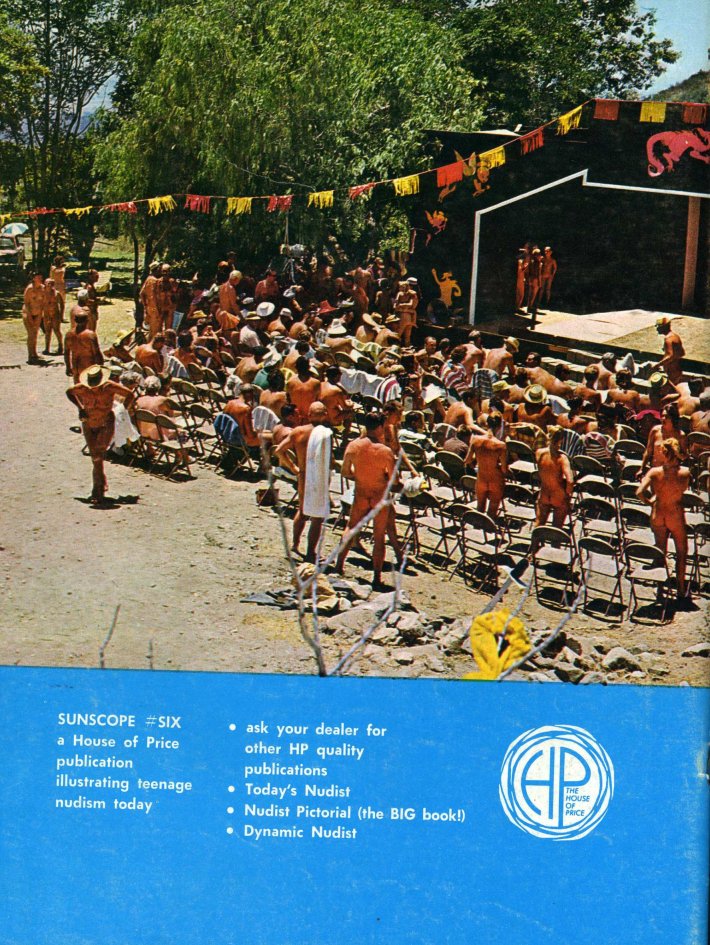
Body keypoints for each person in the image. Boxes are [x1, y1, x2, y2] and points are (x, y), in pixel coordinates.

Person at [336, 412, 401, 589]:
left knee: (351, 528)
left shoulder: (354, 445)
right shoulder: (385, 451)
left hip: (362, 493)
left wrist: (360, 476)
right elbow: (394, 480)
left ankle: (339, 565)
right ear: (379, 427)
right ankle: (376, 577)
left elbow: (345, 471)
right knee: (379, 536)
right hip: (379, 496)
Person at [66, 365, 136, 504]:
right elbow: (69, 392)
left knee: (98, 455)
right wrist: (80, 408)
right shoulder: (82, 388)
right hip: (88, 422)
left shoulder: (109, 387)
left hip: (105, 422)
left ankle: (97, 490)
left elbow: (130, 394)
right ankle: (100, 485)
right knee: (95, 456)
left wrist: (122, 410)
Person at [274, 402, 333, 562]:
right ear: (325, 414)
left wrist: (294, 468)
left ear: (309, 414)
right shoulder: (325, 434)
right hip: (318, 476)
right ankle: (310, 552)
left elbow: (279, 450)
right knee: (317, 517)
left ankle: (295, 544)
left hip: (304, 474)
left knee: (302, 511)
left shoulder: (298, 431)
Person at [636, 437, 691, 602]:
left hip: (658, 512)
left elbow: (639, 492)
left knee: (660, 551)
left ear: (664, 453)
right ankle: (681, 589)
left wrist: (650, 501)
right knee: (681, 551)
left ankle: (660, 588)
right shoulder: (685, 473)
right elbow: (682, 490)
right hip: (674, 513)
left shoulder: (654, 472)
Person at [464, 413, 507, 518]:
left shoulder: (475, 439)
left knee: (480, 509)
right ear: (499, 426)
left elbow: (467, 460)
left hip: (481, 478)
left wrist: (478, 460)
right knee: (492, 510)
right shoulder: (501, 445)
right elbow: (504, 469)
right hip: (495, 479)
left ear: (487, 424)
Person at [535, 426, 574, 528]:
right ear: (561, 439)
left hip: (544, 492)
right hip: (558, 494)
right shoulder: (562, 458)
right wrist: (567, 494)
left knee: (539, 524)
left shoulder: (539, 453)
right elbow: (570, 481)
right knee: (557, 527)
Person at [64, 311, 103, 383]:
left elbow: (66, 353)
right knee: (90, 387)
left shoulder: (68, 335)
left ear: (75, 320)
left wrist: (68, 367)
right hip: (88, 366)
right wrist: (100, 366)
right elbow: (96, 353)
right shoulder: (90, 335)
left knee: (78, 387)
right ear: (87, 321)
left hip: (75, 367)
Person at [286, 356, 322, 424]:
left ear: (296, 367)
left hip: (294, 419)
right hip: (310, 420)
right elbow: (318, 401)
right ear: (309, 367)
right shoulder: (316, 383)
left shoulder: (290, 382)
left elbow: (288, 401)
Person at [22, 273, 45, 364]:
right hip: (28, 313)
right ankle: (30, 356)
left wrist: (40, 315)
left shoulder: (43, 288)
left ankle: (34, 353)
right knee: (31, 334)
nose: (40, 278)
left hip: (38, 313)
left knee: (35, 334)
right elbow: (26, 303)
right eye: (38, 277)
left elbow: (43, 303)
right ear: (34, 278)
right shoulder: (29, 288)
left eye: (41, 277)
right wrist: (29, 316)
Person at [655, 316, 684, 384]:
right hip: (677, 368)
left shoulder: (668, 339)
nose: (657, 329)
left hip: (671, 371)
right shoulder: (675, 336)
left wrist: (658, 364)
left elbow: (670, 356)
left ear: (664, 327)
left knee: (671, 388)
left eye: (658, 327)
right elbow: (682, 353)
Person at [41, 277, 63, 355]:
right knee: (47, 332)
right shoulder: (42, 293)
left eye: (51, 283)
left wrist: (61, 315)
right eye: (48, 283)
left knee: (57, 330)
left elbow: (62, 304)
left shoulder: (57, 293)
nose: (49, 285)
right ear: (45, 284)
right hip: (46, 315)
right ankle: (47, 348)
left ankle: (60, 346)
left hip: (55, 315)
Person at [139, 262, 161, 337]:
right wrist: (156, 309)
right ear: (157, 269)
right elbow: (152, 296)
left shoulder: (148, 279)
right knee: (154, 331)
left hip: (149, 308)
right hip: (154, 309)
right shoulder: (154, 281)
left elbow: (141, 293)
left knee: (152, 330)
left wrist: (145, 305)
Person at [50, 255, 67, 322]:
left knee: (57, 302)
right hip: (59, 285)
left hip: (56, 285)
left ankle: (57, 316)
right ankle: (60, 317)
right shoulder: (62, 269)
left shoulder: (52, 268)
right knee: (61, 302)